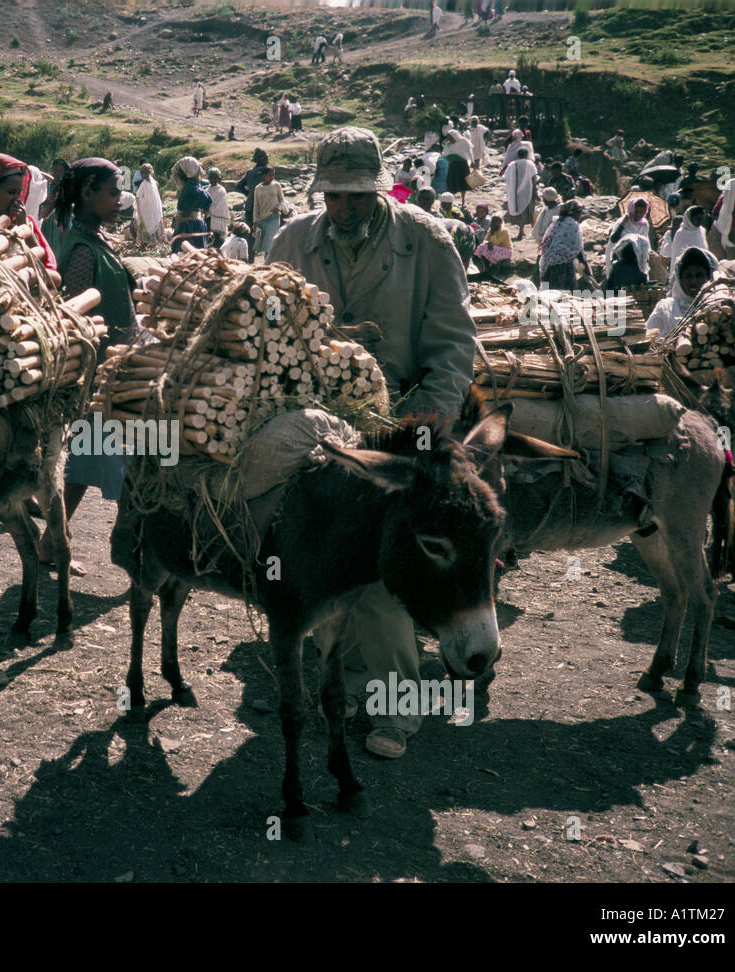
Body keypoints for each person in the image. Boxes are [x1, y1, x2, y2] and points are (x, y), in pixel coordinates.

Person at [268, 126, 476, 760]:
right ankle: (345, 683)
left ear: (380, 191)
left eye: (356, 197)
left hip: (402, 422)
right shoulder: (290, 240)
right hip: (315, 424)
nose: (343, 210)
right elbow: (266, 329)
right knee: (319, 558)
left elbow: (452, 348)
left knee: (387, 572)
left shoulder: (426, 240)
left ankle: (398, 708)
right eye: (333, 197)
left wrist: (424, 427)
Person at [31, 157, 137, 575]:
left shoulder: (97, 239)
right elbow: (74, 320)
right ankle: (131, 548)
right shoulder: (78, 250)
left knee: (82, 465)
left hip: (113, 371)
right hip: (97, 379)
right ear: (87, 193)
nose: (118, 200)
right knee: (134, 462)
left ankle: (48, 544)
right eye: (112, 193)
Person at [645, 246, 719, 336]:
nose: (693, 281)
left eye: (699, 275)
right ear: (680, 279)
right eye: (688, 276)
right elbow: (649, 338)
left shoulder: (717, 308)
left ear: (709, 278)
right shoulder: (666, 309)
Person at [539, 199, 589, 291]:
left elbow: (545, 245)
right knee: (564, 295)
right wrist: (586, 267)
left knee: (549, 295)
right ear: (574, 213)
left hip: (547, 265)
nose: (580, 215)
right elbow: (578, 249)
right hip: (562, 266)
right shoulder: (572, 225)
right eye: (579, 213)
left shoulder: (556, 223)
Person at [171, 156, 212, 253]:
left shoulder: (191, 185)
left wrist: (189, 210)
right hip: (190, 224)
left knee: (186, 253)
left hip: (189, 226)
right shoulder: (193, 184)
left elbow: (206, 198)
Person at [252, 165, 288, 259]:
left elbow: (282, 200)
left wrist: (279, 208)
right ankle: (268, 263)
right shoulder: (258, 188)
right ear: (264, 175)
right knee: (263, 245)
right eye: (270, 175)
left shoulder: (276, 185)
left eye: (273, 175)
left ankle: (268, 264)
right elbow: (256, 206)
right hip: (262, 218)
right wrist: (255, 221)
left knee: (270, 243)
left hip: (274, 217)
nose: (272, 177)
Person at [607, 197, 656, 265]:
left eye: (641, 212)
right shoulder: (623, 221)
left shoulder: (644, 224)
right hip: (619, 258)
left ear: (645, 212)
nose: (638, 215)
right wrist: (623, 223)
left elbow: (645, 242)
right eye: (636, 211)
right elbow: (613, 239)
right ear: (631, 210)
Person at [503, 146, 538, 240]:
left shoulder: (512, 164)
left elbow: (506, 178)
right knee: (525, 210)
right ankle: (521, 230)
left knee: (517, 208)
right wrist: (535, 191)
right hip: (527, 191)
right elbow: (534, 178)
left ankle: (520, 229)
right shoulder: (530, 164)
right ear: (527, 155)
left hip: (514, 192)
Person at [134, 161, 164, 243]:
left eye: (142, 173)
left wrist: (139, 201)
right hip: (154, 209)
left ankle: (146, 243)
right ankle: (156, 240)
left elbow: (140, 197)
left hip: (148, 210)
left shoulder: (145, 184)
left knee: (145, 223)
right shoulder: (154, 182)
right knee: (154, 222)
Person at [442, 130, 473, 204]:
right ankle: (450, 200)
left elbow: (469, 152)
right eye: (449, 138)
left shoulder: (463, 142)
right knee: (451, 183)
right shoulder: (448, 144)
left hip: (462, 165)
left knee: (463, 183)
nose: (450, 139)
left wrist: (472, 161)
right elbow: (444, 154)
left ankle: (463, 200)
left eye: (451, 138)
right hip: (452, 165)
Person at [207, 167, 230, 241]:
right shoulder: (207, 190)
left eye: (215, 178)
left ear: (218, 179)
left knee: (217, 242)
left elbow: (220, 207)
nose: (213, 180)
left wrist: (207, 209)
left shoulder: (221, 190)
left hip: (218, 221)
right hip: (208, 220)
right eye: (211, 178)